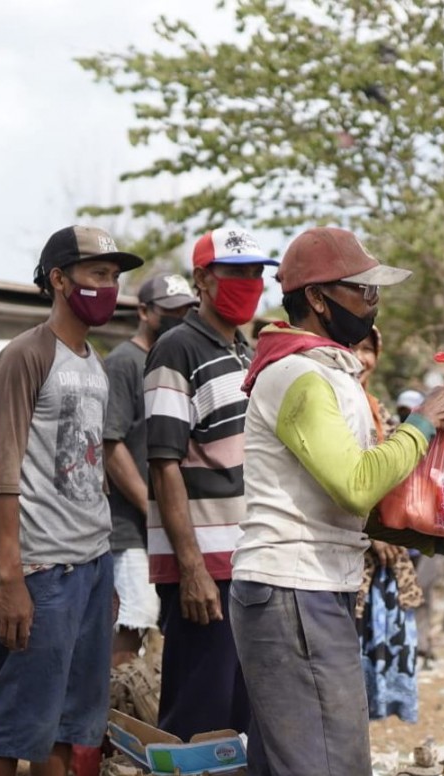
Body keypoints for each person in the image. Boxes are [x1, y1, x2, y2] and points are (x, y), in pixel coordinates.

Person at [230, 226, 444, 776]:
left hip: (300, 588)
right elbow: (354, 486)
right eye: (362, 291)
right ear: (318, 298)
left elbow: (354, 500)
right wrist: (426, 420)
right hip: (295, 588)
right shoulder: (300, 376)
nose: (373, 304)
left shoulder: (323, 370)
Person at [0, 225, 144, 776]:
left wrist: (106, 573)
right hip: (44, 573)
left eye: (115, 277)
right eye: (98, 274)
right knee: (13, 724)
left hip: (91, 570)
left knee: (64, 725)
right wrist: (11, 580)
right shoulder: (27, 355)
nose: (109, 286)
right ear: (58, 279)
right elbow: (2, 476)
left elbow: (90, 469)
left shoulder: (92, 363)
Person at [144, 227, 276, 742]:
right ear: (203, 279)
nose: (250, 283)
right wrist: (191, 568)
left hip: (248, 559)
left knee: (240, 718)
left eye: (256, 273)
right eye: (236, 273)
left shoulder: (246, 351)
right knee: (198, 715)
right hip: (206, 569)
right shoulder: (176, 349)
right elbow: (164, 463)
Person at [104, 273, 197, 667]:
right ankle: (108, 720)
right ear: (144, 311)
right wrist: (150, 506)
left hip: (165, 523)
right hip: (129, 526)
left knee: (153, 624)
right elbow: (110, 445)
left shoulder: (173, 361)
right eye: (170, 311)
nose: (180, 318)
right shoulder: (124, 363)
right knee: (131, 621)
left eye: (185, 311)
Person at [352, 325, 423, 722]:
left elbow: (398, 477)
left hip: (388, 559)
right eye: (355, 347)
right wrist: (372, 533)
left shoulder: (376, 407)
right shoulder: (339, 407)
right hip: (354, 556)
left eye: (369, 349)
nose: (363, 358)